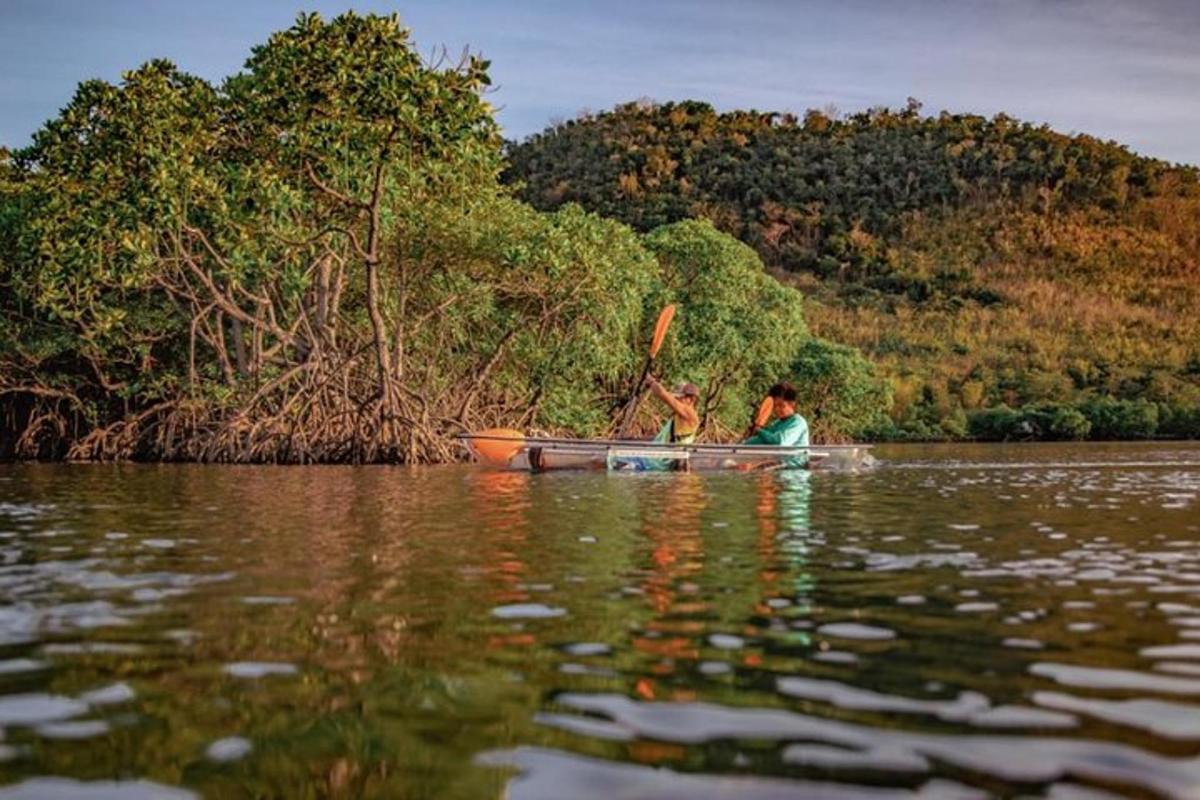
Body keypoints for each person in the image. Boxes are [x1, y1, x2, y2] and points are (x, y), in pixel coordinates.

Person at [744, 381, 809, 467]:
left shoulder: (798, 422)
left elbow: (780, 442)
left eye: (781, 405)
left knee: (760, 467)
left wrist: (759, 431)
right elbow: (762, 440)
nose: (777, 409)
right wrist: (746, 443)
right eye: (775, 406)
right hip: (779, 464)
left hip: (795, 467)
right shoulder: (777, 423)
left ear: (792, 404)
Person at [645, 376, 700, 445]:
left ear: (691, 400)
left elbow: (663, 394)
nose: (677, 399)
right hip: (659, 452)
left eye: (680, 397)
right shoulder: (678, 415)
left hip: (674, 454)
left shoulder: (690, 414)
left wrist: (651, 382)